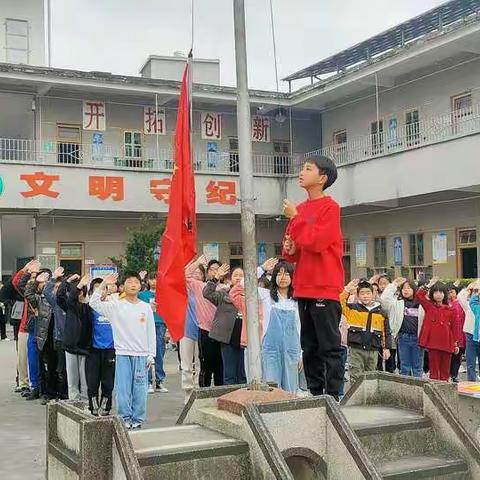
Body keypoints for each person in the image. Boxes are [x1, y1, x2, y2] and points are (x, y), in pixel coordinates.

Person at [282, 154, 344, 399]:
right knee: (309, 346)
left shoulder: (331, 207)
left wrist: (296, 219)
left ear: (322, 178)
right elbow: (296, 248)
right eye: (302, 168)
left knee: (329, 346)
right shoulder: (302, 209)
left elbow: (318, 241)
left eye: (308, 168)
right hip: (304, 287)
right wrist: (290, 249)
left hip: (324, 286)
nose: (301, 172)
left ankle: (334, 394)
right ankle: (316, 392)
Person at [89, 272, 156, 429]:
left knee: (140, 389)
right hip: (123, 353)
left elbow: (150, 331)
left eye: (136, 282)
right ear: (123, 286)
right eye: (129, 282)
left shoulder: (145, 307)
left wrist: (151, 355)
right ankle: (125, 418)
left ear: (140, 286)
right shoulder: (116, 306)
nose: (133, 285)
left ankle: (137, 419)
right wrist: (104, 283)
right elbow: (93, 302)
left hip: (141, 354)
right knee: (123, 389)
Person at [230, 260, 301, 393]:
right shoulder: (266, 295)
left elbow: (299, 327)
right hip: (271, 350)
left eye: (286, 274)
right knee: (272, 387)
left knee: (291, 388)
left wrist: (301, 354)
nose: (283, 278)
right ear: (274, 277)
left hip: (292, 350)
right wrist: (261, 269)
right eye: (279, 274)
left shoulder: (297, 301)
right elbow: (241, 287)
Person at [341, 279, 392, 386]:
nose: (365, 296)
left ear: (373, 294)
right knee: (355, 377)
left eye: (368, 293)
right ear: (358, 295)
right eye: (362, 293)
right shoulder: (353, 309)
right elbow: (340, 302)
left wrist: (386, 348)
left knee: (371, 377)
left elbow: (386, 332)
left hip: (373, 351)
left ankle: (369, 401)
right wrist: (347, 290)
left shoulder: (381, 312)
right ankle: (355, 401)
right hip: (356, 350)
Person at [204, 264, 246, 385]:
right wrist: (216, 277)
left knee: (243, 374)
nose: (238, 277)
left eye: (241, 275)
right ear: (230, 278)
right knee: (229, 374)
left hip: (245, 340)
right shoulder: (224, 294)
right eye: (235, 275)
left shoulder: (252, 294)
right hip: (228, 339)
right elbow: (207, 293)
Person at [186, 257, 223, 387]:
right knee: (206, 367)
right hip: (205, 330)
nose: (215, 272)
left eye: (218, 269)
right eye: (212, 270)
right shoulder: (199, 286)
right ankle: (204, 395)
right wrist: (197, 263)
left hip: (222, 332)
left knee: (221, 367)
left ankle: (220, 395)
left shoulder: (225, 288)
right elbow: (185, 276)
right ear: (207, 273)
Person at [24, 269, 60, 405]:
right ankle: (45, 392)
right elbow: (28, 293)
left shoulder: (60, 300)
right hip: (43, 338)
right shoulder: (41, 299)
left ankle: (55, 392)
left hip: (57, 338)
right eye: (44, 283)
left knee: (55, 367)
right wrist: (36, 281)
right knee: (43, 366)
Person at [57, 274, 92, 400]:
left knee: (85, 380)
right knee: (72, 380)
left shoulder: (90, 307)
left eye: (79, 290)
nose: (76, 293)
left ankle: (86, 404)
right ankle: (74, 403)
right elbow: (60, 296)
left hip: (85, 348)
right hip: (70, 346)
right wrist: (67, 281)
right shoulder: (70, 306)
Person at [381, 278, 425, 378]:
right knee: (405, 366)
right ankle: (406, 389)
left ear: (414, 289)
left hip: (418, 338)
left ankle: (418, 389)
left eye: (409, 288)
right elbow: (384, 299)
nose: (406, 290)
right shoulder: (397, 303)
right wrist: (393, 285)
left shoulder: (421, 304)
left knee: (417, 367)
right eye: (403, 288)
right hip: (403, 337)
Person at [416, 279, 458, 381]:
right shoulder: (429, 306)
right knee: (434, 372)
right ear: (432, 294)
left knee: (445, 372)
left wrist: (455, 343)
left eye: (441, 292)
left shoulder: (451, 310)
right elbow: (419, 295)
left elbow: (454, 328)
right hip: (433, 344)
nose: (438, 295)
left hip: (447, 344)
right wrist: (429, 285)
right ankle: (433, 392)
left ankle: (444, 391)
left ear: (445, 294)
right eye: (435, 292)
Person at [86, 277, 116, 416]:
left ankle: (105, 407)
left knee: (108, 382)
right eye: (97, 289)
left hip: (110, 350)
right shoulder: (89, 308)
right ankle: (93, 408)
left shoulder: (113, 306)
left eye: (103, 288)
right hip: (93, 351)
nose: (101, 291)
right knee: (92, 382)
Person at [139, 274, 168, 394]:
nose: (154, 281)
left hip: (160, 324)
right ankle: (149, 381)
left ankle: (160, 381)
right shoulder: (142, 295)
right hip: (146, 325)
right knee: (147, 353)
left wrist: (168, 329)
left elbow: (168, 310)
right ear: (147, 281)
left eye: (155, 278)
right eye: (151, 279)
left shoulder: (163, 294)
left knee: (159, 353)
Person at [179, 263, 204, 403]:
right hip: (186, 330)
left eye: (199, 273)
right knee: (186, 363)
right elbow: (181, 277)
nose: (196, 275)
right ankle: (188, 391)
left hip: (202, 330)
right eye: (193, 272)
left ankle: (197, 388)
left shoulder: (205, 289)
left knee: (200, 362)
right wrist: (193, 264)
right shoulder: (185, 290)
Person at [43, 267, 68, 400]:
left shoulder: (70, 302)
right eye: (56, 287)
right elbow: (46, 291)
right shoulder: (55, 302)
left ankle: (68, 394)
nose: (58, 289)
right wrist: (53, 278)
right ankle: (59, 393)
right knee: (59, 369)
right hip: (59, 339)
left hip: (72, 340)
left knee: (69, 370)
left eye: (61, 287)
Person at [458, 281, 480, 381]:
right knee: (470, 362)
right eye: (476, 291)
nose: (478, 293)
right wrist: (470, 288)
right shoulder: (469, 304)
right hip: (470, 335)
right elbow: (460, 296)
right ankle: (471, 382)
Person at [447, 284, 466, 383]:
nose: (450, 294)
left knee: (457, 357)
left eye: (452, 292)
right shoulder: (446, 304)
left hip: (461, 334)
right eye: (448, 292)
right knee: (449, 356)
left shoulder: (461, 304)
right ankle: (448, 374)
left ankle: (454, 375)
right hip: (449, 335)